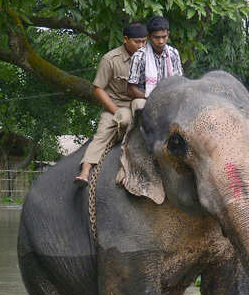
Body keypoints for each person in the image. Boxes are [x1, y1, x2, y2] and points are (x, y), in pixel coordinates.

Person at [75, 22, 147, 186]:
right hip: (116, 107)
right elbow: (98, 89)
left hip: (141, 104)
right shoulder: (110, 59)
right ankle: (84, 172)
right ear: (126, 39)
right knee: (103, 134)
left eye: (144, 41)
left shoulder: (150, 58)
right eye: (137, 41)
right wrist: (115, 111)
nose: (141, 45)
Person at [127, 16, 183, 113]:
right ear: (149, 37)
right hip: (145, 99)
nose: (161, 41)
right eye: (156, 37)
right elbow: (131, 89)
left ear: (168, 34)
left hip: (169, 98)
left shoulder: (173, 53)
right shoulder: (139, 56)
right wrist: (153, 98)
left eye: (164, 37)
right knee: (140, 106)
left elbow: (179, 82)